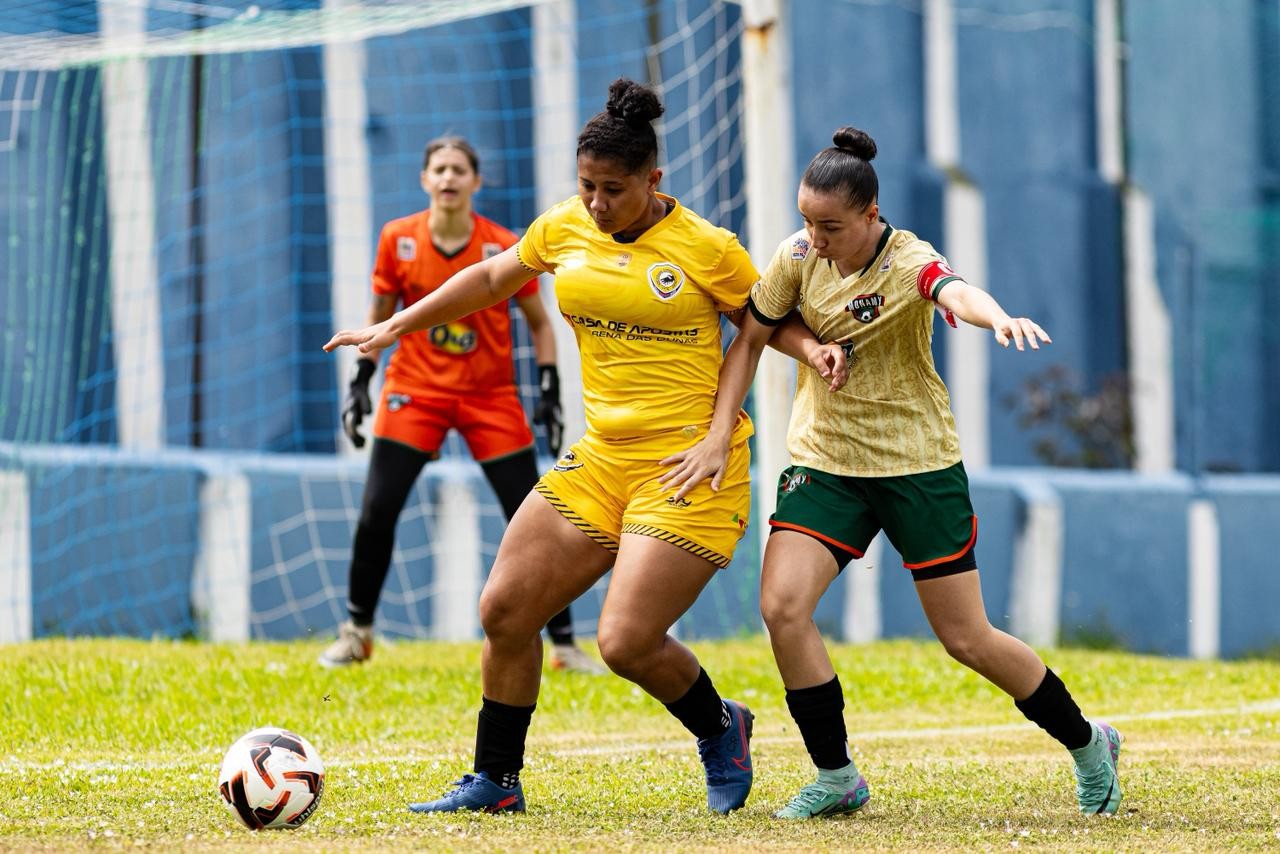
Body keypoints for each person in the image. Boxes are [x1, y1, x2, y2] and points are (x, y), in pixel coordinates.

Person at [325, 79, 845, 815]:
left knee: (625, 642)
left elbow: (762, 320)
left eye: (613, 189)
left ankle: (722, 725)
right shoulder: (566, 226)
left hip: (689, 466)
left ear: (653, 181)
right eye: (587, 187)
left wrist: (814, 351)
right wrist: (393, 328)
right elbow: (490, 276)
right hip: (601, 459)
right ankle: (495, 781)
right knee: (505, 609)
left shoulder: (705, 246)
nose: (597, 204)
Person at [673, 126, 1122, 819]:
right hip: (826, 463)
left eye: (831, 226)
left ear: (871, 216)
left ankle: (1090, 743)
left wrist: (998, 317)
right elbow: (753, 337)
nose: (814, 239)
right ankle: (836, 775)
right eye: (806, 222)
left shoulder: (908, 258)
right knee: (782, 606)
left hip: (917, 466)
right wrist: (717, 434)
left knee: (968, 640)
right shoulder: (796, 256)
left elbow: (954, 292)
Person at [320, 135, 604, 675]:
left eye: (459, 170)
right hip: (416, 390)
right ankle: (356, 633)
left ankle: (564, 644)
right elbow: (381, 314)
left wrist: (547, 385)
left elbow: (541, 324)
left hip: (489, 395)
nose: (448, 178)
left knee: (534, 516)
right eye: (439, 169)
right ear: (425, 180)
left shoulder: (502, 244)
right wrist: (362, 379)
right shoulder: (397, 239)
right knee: (379, 508)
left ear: (476, 182)